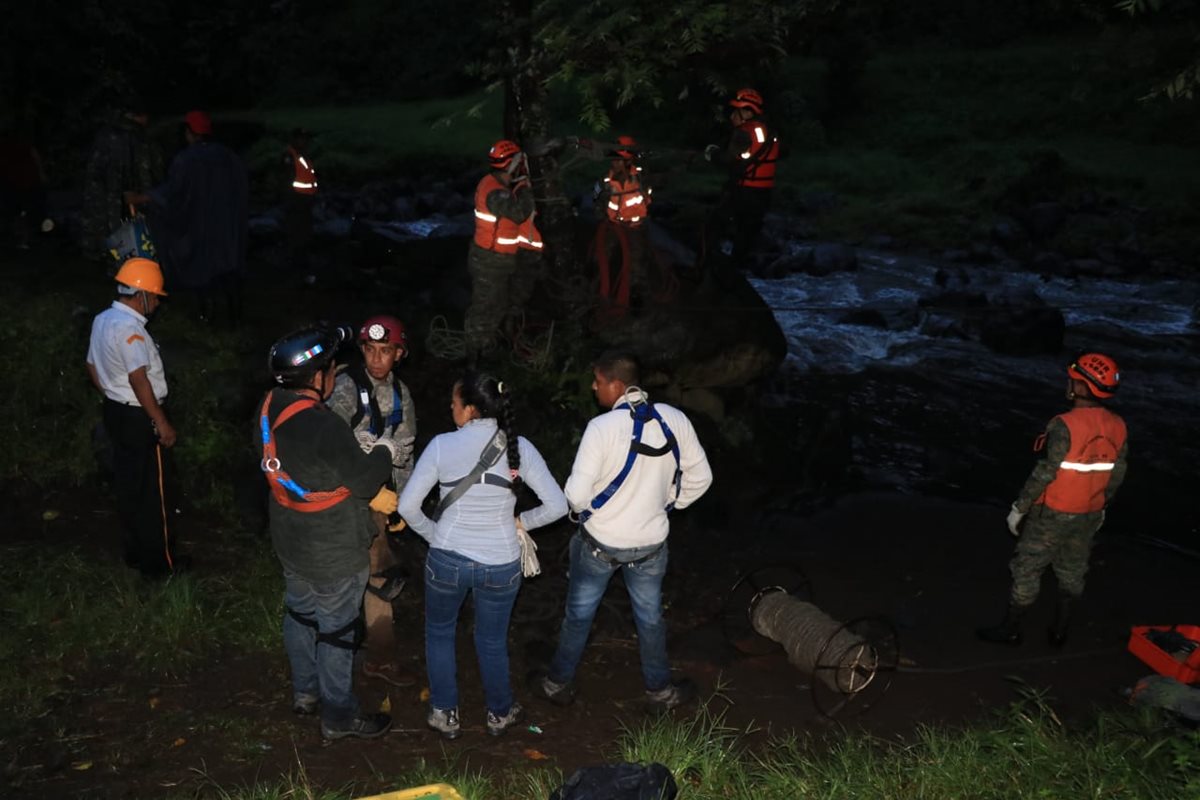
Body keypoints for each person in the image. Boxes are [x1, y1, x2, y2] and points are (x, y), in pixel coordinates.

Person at [533, 352, 713, 711]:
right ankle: (660, 691)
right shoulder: (674, 419)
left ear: (616, 384)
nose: (593, 387)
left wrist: (591, 510)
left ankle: (557, 684)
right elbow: (703, 478)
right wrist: (670, 503)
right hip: (650, 546)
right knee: (649, 618)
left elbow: (575, 495)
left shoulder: (601, 429)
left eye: (597, 382)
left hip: (600, 544)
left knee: (579, 615)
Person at [397, 372, 567, 740]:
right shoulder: (520, 446)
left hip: (448, 558)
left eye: (455, 403)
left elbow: (407, 506)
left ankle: (445, 714)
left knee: (440, 633)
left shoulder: (443, 445)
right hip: (501, 561)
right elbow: (558, 505)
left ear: (470, 409)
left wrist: (435, 535)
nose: (451, 408)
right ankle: (499, 713)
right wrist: (521, 521)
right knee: (491, 639)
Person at [259, 323, 400, 740]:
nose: (336, 372)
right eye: (331, 368)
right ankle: (338, 715)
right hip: (331, 545)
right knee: (337, 628)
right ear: (317, 377)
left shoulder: (270, 404)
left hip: (289, 534)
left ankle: (305, 692)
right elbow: (363, 481)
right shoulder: (324, 425)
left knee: (301, 612)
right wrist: (383, 453)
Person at [977, 353, 1129, 647]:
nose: (1068, 383)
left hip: (1054, 512)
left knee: (1027, 568)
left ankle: (1011, 629)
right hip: (1089, 512)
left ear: (1082, 387)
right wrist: (1102, 507)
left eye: (1073, 379)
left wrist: (1019, 508)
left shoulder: (1065, 425)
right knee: (1072, 571)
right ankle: (1059, 630)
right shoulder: (1118, 425)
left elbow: (1045, 471)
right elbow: (1117, 472)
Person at [328, 314, 417, 687]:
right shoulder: (346, 388)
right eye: (370, 350)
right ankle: (333, 655)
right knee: (340, 579)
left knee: (378, 578)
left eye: (385, 351)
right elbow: (329, 446)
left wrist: (403, 502)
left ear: (399, 354)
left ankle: (378, 658)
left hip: (379, 505)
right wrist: (367, 489)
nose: (377, 359)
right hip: (342, 499)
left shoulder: (401, 395)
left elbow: (406, 449)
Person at [85, 258, 182, 577]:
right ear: (139, 294)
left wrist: (112, 394)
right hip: (140, 416)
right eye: (154, 296)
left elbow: (91, 365)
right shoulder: (131, 331)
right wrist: (161, 422)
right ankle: (160, 565)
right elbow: (139, 379)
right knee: (154, 492)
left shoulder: (103, 319)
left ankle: (135, 553)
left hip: (116, 411)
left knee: (129, 484)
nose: (156, 303)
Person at [127, 110, 249, 325]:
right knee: (229, 265)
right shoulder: (228, 156)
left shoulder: (186, 160)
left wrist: (144, 198)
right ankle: (235, 314)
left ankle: (206, 313)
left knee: (202, 266)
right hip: (227, 223)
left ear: (189, 133)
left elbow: (173, 192)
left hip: (200, 224)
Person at [464, 139, 540, 359]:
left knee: (496, 306)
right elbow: (519, 212)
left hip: (498, 261)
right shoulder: (494, 191)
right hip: (489, 262)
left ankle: (486, 351)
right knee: (483, 310)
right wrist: (526, 186)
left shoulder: (497, 186)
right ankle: (474, 359)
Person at [704, 88, 780, 274]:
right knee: (746, 234)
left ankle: (708, 265)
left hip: (743, 191)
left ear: (746, 111)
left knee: (716, 225)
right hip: (763, 193)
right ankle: (734, 270)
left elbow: (729, 158)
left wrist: (711, 154)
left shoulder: (744, 132)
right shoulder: (770, 131)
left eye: (736, 111)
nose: (732, 116)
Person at [80, 103, 163, 261]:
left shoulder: (109, 132)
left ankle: (105, 256)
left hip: (106, 191)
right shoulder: (132, 135)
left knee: (108, 228)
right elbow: (140, 167)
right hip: (117, 192)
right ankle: (116, 260)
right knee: (119, 230)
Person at [594, 135, 653, 316]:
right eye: (613, 160)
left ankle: (636, 298)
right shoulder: (604, 182)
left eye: (619, 160)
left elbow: (648, 199)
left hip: (634, 228)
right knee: (602, 254)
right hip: (613, 227)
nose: (615, 164)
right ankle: (599, 288)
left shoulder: (640, 178)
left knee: (636, 261)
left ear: (628, 161)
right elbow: (597, 205)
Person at [282, 127, 317, 279]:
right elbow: (286, 180)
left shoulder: (302, 156)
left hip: (305, 201)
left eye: (306, 139)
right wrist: (291, 201)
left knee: (304, 234)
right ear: (295, 139)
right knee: (296, 234)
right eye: (301, 138)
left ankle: (301, 263)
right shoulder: (290, 156)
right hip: (297, 202)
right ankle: (294, 266)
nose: (305, 141)